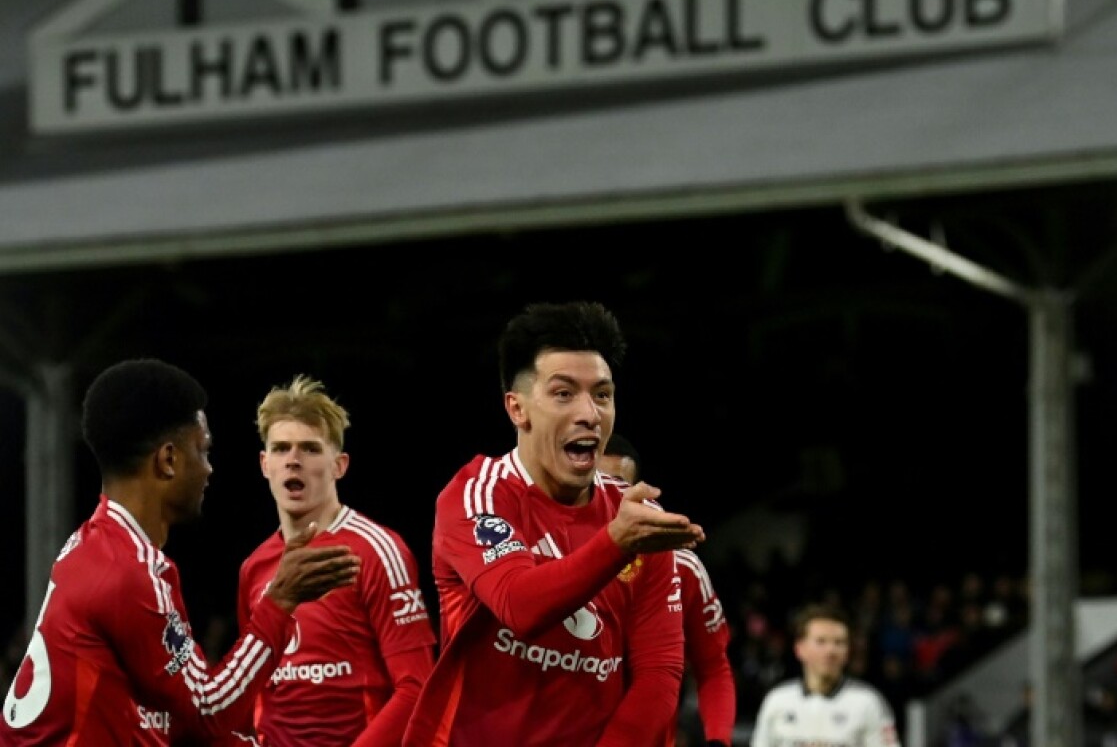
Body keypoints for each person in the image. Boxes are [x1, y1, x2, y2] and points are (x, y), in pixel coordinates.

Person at [0, 358, 361, 746]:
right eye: (202, 450)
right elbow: (209, 713)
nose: (208, 469)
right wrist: (281, 599)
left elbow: (171, 713)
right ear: (168, 460)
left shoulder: (99, 546)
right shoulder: (128, 572)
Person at [401, 300, 706, 747]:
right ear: (517, 409)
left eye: (602, 395)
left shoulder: (638, 519)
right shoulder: (479, 495)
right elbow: (521, 607)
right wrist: (615, 544)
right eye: (564, 394)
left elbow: (659, 673)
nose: (589, 413)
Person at [237, 374, 437, 746]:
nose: (293, 461)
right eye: (281, 449)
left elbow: (417, 685)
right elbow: (253, 685)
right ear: (264, 464)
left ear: (339, 465)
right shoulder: (254, 567)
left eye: (310, 449)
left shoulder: (377, 550)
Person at [598, 433, 737, 747]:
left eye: (617, 485)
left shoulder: (682, 566)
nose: (605, 493)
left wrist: (718, 739)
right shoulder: (551, 554)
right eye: (595, 483)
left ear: (639, 494)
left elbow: (713, 666)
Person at [750, 603, 901, 747]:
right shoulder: (777, 701)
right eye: (821, 641)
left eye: (839, 642)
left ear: (847, 652)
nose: (830, 651)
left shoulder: (868, 703)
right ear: (799, 648)